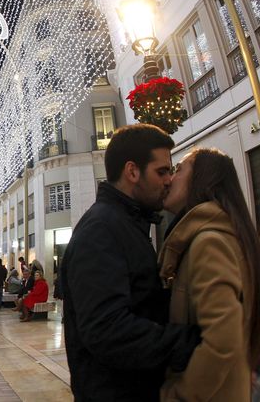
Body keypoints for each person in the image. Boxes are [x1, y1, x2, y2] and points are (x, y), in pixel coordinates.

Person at [61, 124, 201, 400]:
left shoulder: (124, 224)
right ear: (133, 172)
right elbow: (107, 329)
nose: (169, 180)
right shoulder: (101, 230)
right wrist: (191, 342)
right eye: (161, 171)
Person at [158, 148, 260, 400]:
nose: (170, 178)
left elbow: (223, 340)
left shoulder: (208, 242)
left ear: (202, 179)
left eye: (178, 169)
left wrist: (179, 394)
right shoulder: (217, 234)